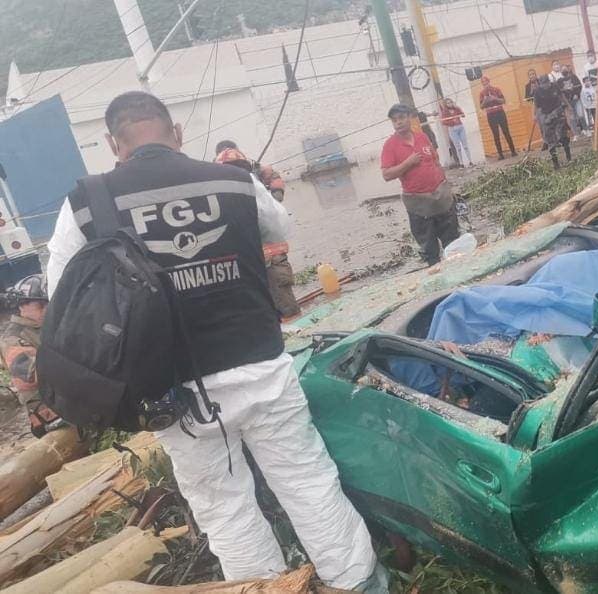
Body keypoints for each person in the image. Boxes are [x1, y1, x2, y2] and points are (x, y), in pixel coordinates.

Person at [45, 91, 389, 594]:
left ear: (113, 144)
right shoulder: (233, 179)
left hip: (172, 390)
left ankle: (267, 588)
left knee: (224, 507)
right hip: (260, 366)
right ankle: (358, 583)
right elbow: (281, 226)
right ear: (176, 132)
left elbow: (64, 292)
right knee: (307, 480)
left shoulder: (86, 201)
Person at [214, 145, 301, 319]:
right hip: (270, 258)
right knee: (280, 302)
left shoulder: (237, 188)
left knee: (277, 304)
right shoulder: (251, 182)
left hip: (264, 259)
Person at [380, 103, 460, 266]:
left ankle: (457, 272)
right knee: (430, 250)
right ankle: (438, 276)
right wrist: (407, 163)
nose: (398, 123)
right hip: (419, 204)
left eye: (401, 118)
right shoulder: (390, 146)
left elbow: (435, 160)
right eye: (394, 120)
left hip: (440, 199)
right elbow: (386, 174)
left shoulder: (422, 137)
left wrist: (444, 184)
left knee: (452, 243)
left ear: (410, 117)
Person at [0, 274, 62, 438]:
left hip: (69, 400)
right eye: (40, 305)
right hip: (49, 414)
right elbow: (32, 376)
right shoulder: (13, 339)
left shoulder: (48, 326)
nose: (47, 309)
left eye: (49, 303)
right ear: (22, 307)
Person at [215, 140, 285, 202]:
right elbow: (271, 174)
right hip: (253, 203)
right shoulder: (251, 165)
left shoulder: (214, 172)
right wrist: (277, 192)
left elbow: (269, 173)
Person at [533, 76, 572, 168]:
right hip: (546, 115)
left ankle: (569, 158)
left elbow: (561, 95)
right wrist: (536, 116)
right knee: (550, 141)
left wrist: (568, 106)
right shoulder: (538, 91)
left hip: (558, 111)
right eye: (543, 84)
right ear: (540, 84)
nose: (545, 86)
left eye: (546, 83)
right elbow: (536, 105)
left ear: (549, 82)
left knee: (563, 136)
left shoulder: (554, 86)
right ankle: (556, 163)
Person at [478, 76, 517, 160]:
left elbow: (503, 101)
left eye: (486, 82)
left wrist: (494, 98)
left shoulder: (496, 89)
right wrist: (485, 100)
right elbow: (481, 106)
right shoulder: (481, 93)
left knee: (506, 131)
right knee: (496, 135)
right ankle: (500, 154)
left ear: (489, 81)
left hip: (500, 112)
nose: (485, 84)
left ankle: (513, 151)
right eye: (483, 82)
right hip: (490, 115)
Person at [438, 98, 473, 168]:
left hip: (460, 127)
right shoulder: (445, 112)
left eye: (450, 102)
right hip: (452, 129)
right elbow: (443, 122)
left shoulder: (456, 109)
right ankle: (461, 163)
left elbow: (463, 115)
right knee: (458, 147)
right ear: (446, 104)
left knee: (465, 145)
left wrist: (458, 108)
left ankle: (470, 161)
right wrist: (452, 122)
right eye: (448, 103)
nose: (450, 104)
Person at [558, 64, 583, 139]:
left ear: (568, 70)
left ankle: (585, 129)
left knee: (580, 115)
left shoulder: (573, 77)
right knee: (572, 118)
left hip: (576, 99)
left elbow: (579, 86)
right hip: (567, 102)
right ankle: (576, 134)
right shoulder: (559, 81)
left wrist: (577, 94)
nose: (564, 71)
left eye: (565, 69)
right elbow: (559, 93)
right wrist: (564, 101)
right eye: (562, 70)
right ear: (560, 71)